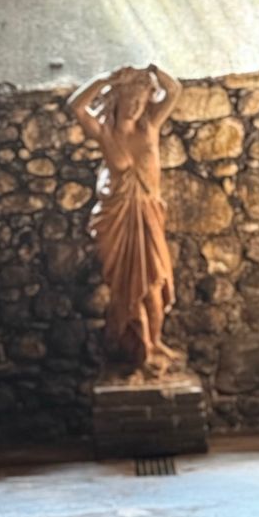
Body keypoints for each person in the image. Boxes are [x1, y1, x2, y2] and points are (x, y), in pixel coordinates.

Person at [67, 64, 182, 373]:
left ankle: (155, 343)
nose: (134, 106)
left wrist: (154, 69)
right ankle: (129, 349)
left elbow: (174, 91)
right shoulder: (105, 133)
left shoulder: (150, 126)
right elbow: (76, 106)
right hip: (116, 220)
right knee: (123, 289)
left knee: (154, 284)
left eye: (140, 100)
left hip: (147, 215)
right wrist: (104, 78)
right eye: (129, 99)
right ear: (116, 100)